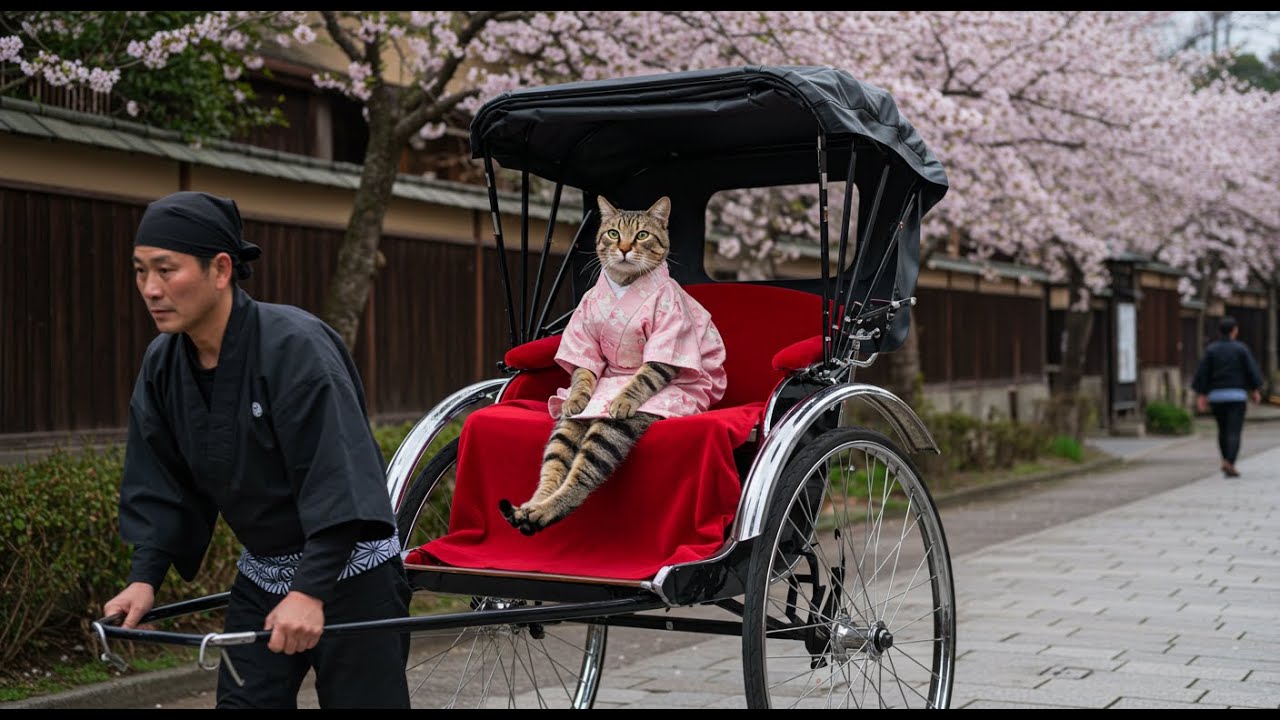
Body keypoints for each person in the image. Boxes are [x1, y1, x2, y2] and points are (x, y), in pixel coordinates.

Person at [102, 191, 412, 708]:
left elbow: (336, 474)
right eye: (140, 272)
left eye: (166, 269)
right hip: (263, 573)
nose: (151, 289)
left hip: (351, 574)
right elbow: (163, 479)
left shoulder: (295, 345)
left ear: (221, 269)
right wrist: (144, 579)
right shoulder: (163, 363)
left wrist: (310, 591)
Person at [1191, 315, 1264, 478]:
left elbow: (1203, 373)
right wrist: (1255, 390)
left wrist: (1202, 394)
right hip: (1236, 396)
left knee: (1222, 430)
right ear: (1234, 331)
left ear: (1219, 331)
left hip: (1217, 397)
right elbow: (1251, 371)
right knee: (1234, 431)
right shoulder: (1241, 349)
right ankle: (1229, 461)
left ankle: (1225, 459)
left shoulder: (1211, 350)